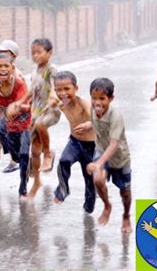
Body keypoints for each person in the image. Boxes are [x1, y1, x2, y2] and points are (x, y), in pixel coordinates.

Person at [15, 38, 61, 199]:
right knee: (34, 151)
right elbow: (32, 91)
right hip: (36, 111)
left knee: (41, 125)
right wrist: (21, 102)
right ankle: (37, 182)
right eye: (33, 53)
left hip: (51, 110)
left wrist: (54, 97)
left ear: (49, 53)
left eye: (39, 52)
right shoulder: (34, 71)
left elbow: (56, 86)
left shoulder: (52, 69)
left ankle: (48, 154)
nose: (35, 56)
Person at [86, 78, 132, 233]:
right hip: (101, 150)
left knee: (125, 192)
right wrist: (89, 124)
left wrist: (99, 163)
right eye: (94, 98)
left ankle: (126, 216)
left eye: (102, 98)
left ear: (111, 98)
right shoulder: (93, 110)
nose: (97, 102)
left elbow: (114, 144)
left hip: (119, 157)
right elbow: (96, 123)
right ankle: (107, 205)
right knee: (98, 179)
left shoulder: (115, 117)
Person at [52, 71, 96, 213]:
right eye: (59, 89)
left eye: (67, 89)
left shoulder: (83, 103)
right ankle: (63, 190)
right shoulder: (61, 104)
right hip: (75, 142)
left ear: (76, 88)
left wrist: (89, 124)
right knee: (64, 161)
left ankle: (89, 206)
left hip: (92, 146)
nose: (63, 93)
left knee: (89, 178)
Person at [0, 53, 31, 198]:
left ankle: (23, 187)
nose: (2, 69)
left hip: (25, 120)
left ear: (12, 68)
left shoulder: (19, 84)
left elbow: (25, 105)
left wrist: (16, 108)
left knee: (25, 153)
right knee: (0, 129)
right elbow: (3, 109)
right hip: (10, 120)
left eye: (6, 66)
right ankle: (16, 158)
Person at [0, 39, 23, 173]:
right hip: (7, 111)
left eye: (4, 52)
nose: (0, 54)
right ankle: (16, 158)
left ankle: (19, 159)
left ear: (13, 57)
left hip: (19, 111)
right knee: (2, 131)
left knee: (11, 133)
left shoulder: (16, 75)